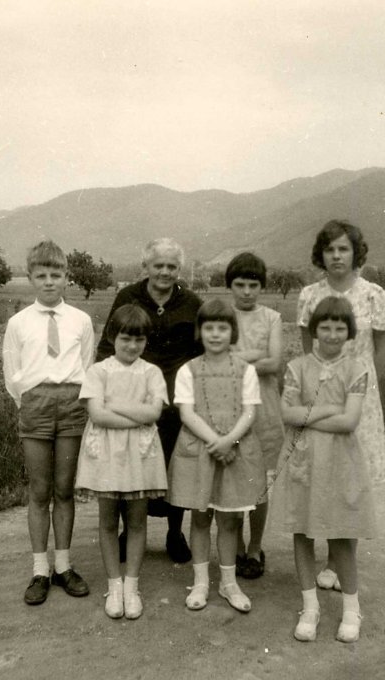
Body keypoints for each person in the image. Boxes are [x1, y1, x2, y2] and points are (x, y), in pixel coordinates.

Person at [271, 296, 376, 643]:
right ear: (315, 330)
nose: (332, 334)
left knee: (341, 534)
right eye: (326, 327)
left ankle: (351, 608)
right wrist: (328, 407)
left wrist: (310, 412)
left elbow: (349, 421)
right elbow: (287, 414)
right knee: (302, 531)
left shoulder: (355, 368)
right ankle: (310, 606)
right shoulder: (298, 366)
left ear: (349, 332)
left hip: (340, 462)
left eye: (340, 328)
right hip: (303, 459)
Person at [297, 219, 385, 591]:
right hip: (322, 392)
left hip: (360, 395)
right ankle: (328, 554)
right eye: (330, 250)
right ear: (321, 255)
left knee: (351, 478)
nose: (336, 256)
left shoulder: (374, 295)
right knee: (323, 472)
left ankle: (339, 562)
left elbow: (380, 349)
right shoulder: (309, 294)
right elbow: (307, 345)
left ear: (356, 254)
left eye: (343, 249)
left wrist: (367, 389)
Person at [96, 238, 202, 563]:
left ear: (179, 269)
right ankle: (131, 530)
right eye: (159, 265)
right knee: (132, 464)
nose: (165, 272)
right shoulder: (128, 297)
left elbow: (201, 355)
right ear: (147, 267)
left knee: (175, 466)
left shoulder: (191, 302)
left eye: (172, 266)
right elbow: (107, 345)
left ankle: (174, 533)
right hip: (133, 398)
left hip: (176, 401)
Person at [2, 240, 94, 605]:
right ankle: (40, 570)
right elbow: (12, 373)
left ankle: (63, 566)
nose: (49, 282)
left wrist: (75, 399)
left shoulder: (81, 320)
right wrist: (29, 400)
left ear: (67, 278)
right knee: (39, 491)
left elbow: (86, 366)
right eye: (41, 275)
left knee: (64, 489)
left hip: (72, 402)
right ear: (31, 278)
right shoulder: (18, 322)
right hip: (36, 403)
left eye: (56, 275)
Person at [167, 299, 264, 613]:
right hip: (201, 450)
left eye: (222, 328)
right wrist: (216, 442)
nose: (216, 334)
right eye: (209, 328)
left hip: (235, 450)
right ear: (200, 331)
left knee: (230, 519)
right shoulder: (188, 370)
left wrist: (230, 441)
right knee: (199, 517)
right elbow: (186, 412)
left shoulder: (246, 370)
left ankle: (228, 583)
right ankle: (200, 582)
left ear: (232, 332)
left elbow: (250, 412)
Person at [76, 305, 168, 620]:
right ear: (113, 336)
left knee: (137, 522)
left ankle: (132, 586)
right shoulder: (98, 371)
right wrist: (135, 413)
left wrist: (115, 404)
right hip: (105, 453)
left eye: (139, 340)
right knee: (107, 521)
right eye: (126, 338)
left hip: (139, 454)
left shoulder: (151, 373)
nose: (132, 346)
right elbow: (97, 415)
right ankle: (114, 585)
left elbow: (154, 413)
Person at [225, 252, 284, 580]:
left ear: (262, 286)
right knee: (232, 481)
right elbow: (214, 357)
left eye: (253, 285)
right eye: (240, 285)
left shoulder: (272, 317)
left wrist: (236, 358)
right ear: (230, 286)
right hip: (229, 407)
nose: (247, 291)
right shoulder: (222, 315)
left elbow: (274, 363)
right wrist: (256, 355)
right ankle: (233, 546)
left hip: (264, 408)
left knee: (259, 483)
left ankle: (254, 548)